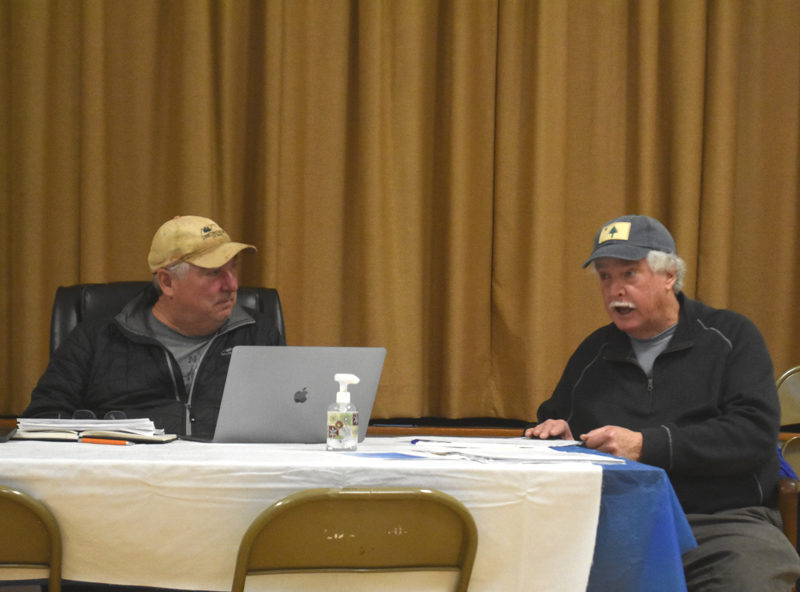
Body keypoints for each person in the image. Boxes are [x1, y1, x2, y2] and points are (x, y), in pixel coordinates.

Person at [525, 214, 800, 590]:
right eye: (605, 276)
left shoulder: (731, 337)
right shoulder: (594, 351)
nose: (614, 290)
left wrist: (645, 445)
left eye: (629, 274)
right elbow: (556, 420)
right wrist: (554, 433)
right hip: (615, 524)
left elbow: (752, 435)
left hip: (721, 524)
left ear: (669, 275)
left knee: (749, 579)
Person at [23, 215, 285, 440]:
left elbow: (289, 421)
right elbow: (43, 423)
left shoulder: (258, 334)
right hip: (124, 482)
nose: (231, 285)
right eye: (213, 273)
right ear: (167, 282)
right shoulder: (95, 340)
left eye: (233, 269)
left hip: (232, 481)